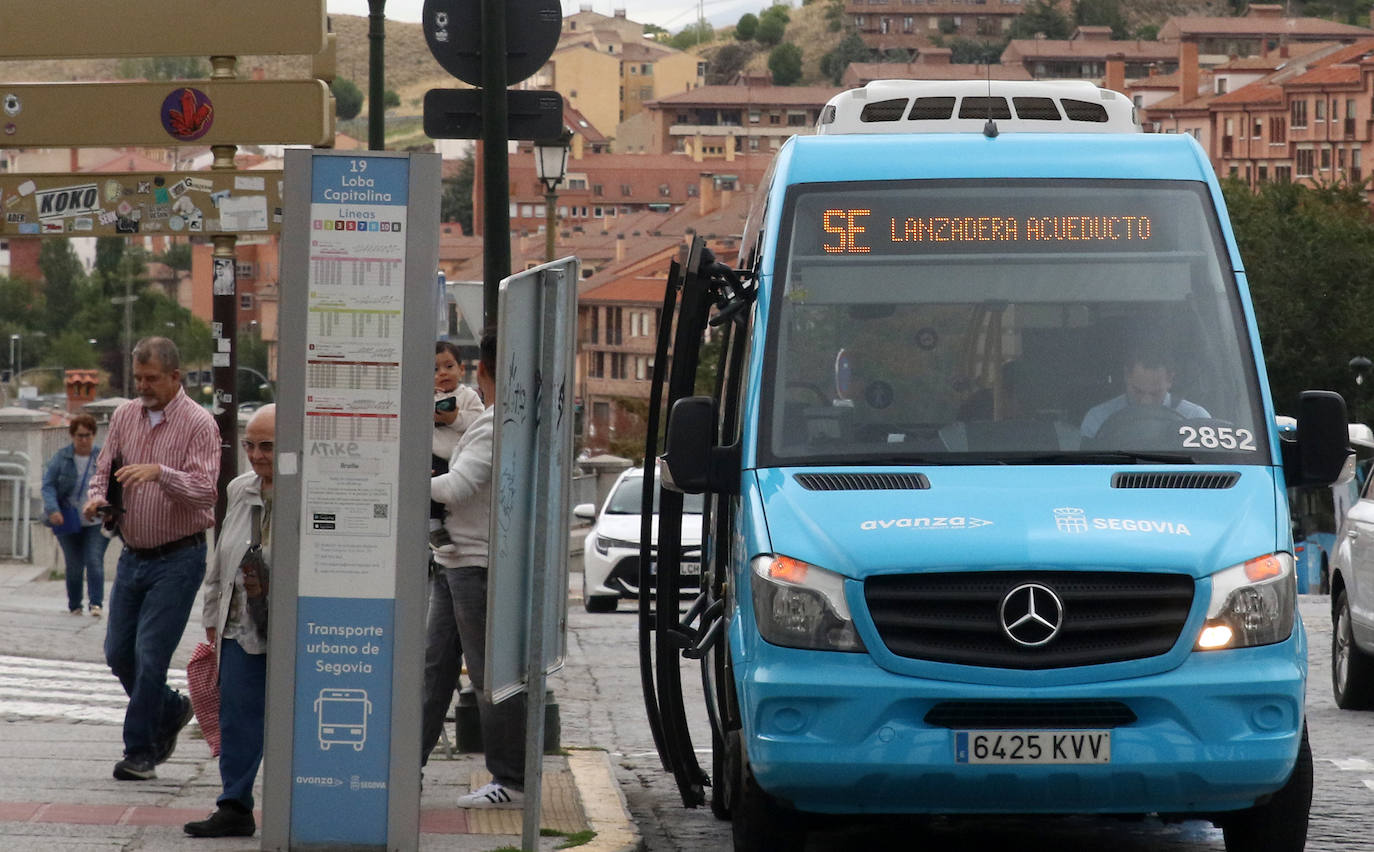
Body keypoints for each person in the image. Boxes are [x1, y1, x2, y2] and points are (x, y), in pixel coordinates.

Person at [83, 337, 220, 782]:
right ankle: (172, 707)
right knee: (117, 653)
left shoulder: (199, 424)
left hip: (179, 558)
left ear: (175, 377)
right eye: (138, 378)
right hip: (133, 554)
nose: (143, 386)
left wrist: (161, 474)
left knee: (149, 655)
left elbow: (206, 490)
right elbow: (104, 468)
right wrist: (97, 499)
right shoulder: (125, 415)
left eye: (152, 379)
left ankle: (140, 752)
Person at [422, 331, 527, 808]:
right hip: (452, 561)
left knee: (488, 677)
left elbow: (459, 487)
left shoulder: (491, 423)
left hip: (474, 565)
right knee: (433, 671)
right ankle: (406, 766)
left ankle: (512, 779)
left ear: (480, 370)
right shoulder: (495, 420)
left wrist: (410, 480)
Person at [184, 404, 276, 839]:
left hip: (294, 626)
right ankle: (235, 804)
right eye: (251, 446)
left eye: (269, 447)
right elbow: (220, 561)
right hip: (241, 625)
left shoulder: (311, 492)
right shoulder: (240, 489)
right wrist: (209, 617)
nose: (257, 455)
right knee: (238, 715)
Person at [41, 414, 110, 616]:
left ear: (94, 435)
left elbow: (111, 485)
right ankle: (75, 605)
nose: (83, 440)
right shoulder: (62, 457)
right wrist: (53, 509)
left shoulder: (101, 458)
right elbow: (48, 485)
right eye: (79, 436)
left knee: (94, 560)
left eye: (87, 435)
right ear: (72, 436)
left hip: (95, 520)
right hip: (67, 519)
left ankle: (96, 604)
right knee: (74, 565)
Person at [1080, 343, 1211, 439]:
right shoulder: (1098, 420)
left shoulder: (1197, 421)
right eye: (1138, 391)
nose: (1145, 401)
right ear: (1126, 375)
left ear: (1170, 379)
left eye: (1155, 393)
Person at [430, 340, 485, 549]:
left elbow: (479, 422)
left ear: (461, 370)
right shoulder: (427, 396)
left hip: (460, 457)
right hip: (435, 456)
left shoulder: (468, 396)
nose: (442, 373)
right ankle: (434, 526)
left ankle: (454, 525)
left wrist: (454, 419)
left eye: (449, 366)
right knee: (433, 483)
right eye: (435, 369)